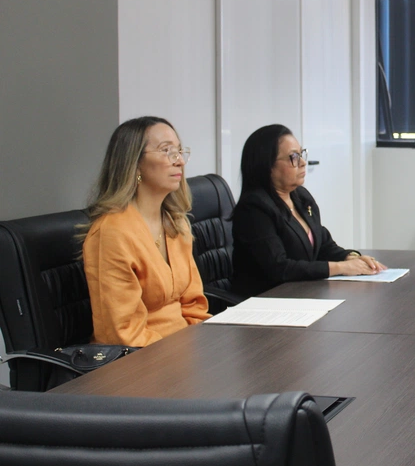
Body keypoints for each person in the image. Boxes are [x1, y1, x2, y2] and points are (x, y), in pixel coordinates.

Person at [82, 116, 210, 347]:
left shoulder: (176, 223)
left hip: (183, 350)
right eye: (166, 150)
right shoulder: (113, 232)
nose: (179, 160)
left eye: (179, 151)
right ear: (135, 163)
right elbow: (121, 334)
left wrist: (202, 348)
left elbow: (194, 307)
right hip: (140, 362)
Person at [230, 124, 384, 297]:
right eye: (293, 157)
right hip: (266, 302)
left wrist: (351, 257)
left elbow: (323, 244)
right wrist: (341, 267)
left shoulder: (300, 197)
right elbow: (279, 267)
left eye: (301, 154)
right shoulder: (254, 209)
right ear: (268, 165)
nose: (303, 163)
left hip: (302, 295)